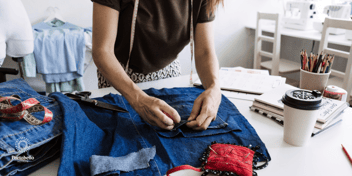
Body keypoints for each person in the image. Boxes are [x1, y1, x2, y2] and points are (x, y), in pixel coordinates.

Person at [91, 0, 223, 131]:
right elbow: (103, 51)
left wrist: (214, 87)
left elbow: (205, 52)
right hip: (119, 76)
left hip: (168, 73)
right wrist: (138, 99)